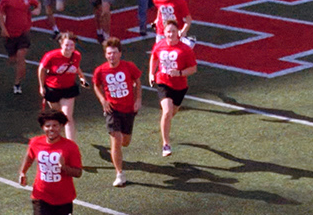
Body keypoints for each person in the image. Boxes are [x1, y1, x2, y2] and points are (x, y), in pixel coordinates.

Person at [19, 109, 83, 215]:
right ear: (43, 127)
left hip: (64, 197)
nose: (51, 129)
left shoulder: (70, 147)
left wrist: (64, 168)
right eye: (48, 126)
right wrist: (23, 172)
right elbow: (29, 157)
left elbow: (78, 172)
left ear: (61, 126)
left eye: (55, 125)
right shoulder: (35, 142)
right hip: (42, 194)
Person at [91, 37, 141, 187]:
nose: (111, 56)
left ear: (120, 53)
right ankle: (120, 173)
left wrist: (138, 99)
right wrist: (103, 100)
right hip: (112, 110)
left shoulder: (129, 66)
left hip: (128, 109)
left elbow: (138, 81)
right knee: (117, 140)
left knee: (125, 141)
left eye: (114, 53)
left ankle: (118, 162)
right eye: (108, 53)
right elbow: (96, 85)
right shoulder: (101, 70)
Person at [148, 27, 197, 159]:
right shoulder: (159, 45)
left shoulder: (185, 50)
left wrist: (180, 73)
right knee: (167, 111)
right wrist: (151, 74)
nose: (170, 34)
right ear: (164, 33)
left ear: (178, 34)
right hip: (163, 81)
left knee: (171, 112)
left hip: (180, 86)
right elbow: (154, 57)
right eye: (168, 32)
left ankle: (165, 124)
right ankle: (166, 144)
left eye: (173, 32)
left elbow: (193, 68)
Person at [0, 0, 43, 96]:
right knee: (12, 59)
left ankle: (17, 83)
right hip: (10, 33)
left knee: (21, 56)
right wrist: (2, 27)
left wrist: (37, 10)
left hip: (24, 31)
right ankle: (14, 63)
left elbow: (37, 5)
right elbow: (0, 12)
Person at [37, 31, 84, 141]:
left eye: (71, 45)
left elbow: (76, 67)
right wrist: (41, 86)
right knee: (59, 116)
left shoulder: (77, 55)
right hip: (52, 88)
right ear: (61, 45)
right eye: (67, 45)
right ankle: (60, 138)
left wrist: (81, 77)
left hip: (68, 89)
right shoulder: (51, 56)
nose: (69, 48)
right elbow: (41, 69)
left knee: (67, 117)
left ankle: (71, 145)